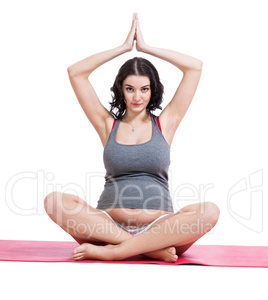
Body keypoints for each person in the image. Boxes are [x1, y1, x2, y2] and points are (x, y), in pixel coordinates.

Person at [44, 13, 220, 262]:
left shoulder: (165, 123)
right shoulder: (107, 124)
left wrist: (146, 48)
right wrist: (123, 48)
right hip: (106, 228)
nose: (138, 97)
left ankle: (119, 251)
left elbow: (194, 67)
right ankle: (143, 249)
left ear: (152, 90)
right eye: (130, 89)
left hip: (162, 229)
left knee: (209, 211)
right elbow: (76, 73)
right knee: (54, 201)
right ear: (121, 90)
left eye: (144, 89)